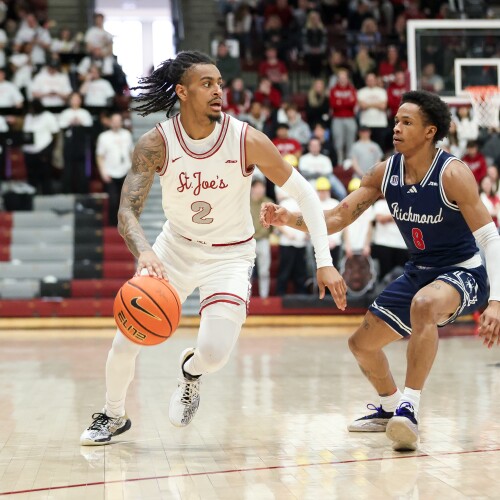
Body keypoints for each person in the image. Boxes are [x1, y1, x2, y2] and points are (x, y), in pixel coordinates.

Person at [80, 51, 346, 445]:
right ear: (182, 92)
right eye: (207, 84)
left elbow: (305, 194)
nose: (218, 90)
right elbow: (126, 212)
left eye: (219, 83)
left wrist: (324, 261)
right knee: (126, 340)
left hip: (230, 255)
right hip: (174, 249)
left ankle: (191, 372)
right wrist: (145, 252)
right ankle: (113, 414)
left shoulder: (245, 139)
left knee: (215, 354)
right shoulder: (156, 143)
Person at [261, 90, 500, 452]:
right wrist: (290, 218)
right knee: (361, 345)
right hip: (419, 271)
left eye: (407, 122)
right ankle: (390, 407)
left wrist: (496, 301)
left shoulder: (453, 174)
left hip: (463, 271)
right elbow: (338, 216)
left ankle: (409, 408)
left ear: (430, 132)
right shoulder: (385, 172)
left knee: (424, 305)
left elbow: (491, 239)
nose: (396, 128)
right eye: (396, 121)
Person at [95, 112, 134, 226]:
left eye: (118, 121)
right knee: (113, 200)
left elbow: (131, 152)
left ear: (121, 122)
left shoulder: (127, 134)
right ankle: (112, 224)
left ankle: (125, 223)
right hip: (110, 172)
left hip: (125, 171)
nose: (116, 123)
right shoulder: (104, 137)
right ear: (110, 122)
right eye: (114, 121)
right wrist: (103, 172)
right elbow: (100, 156)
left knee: (125, 200)